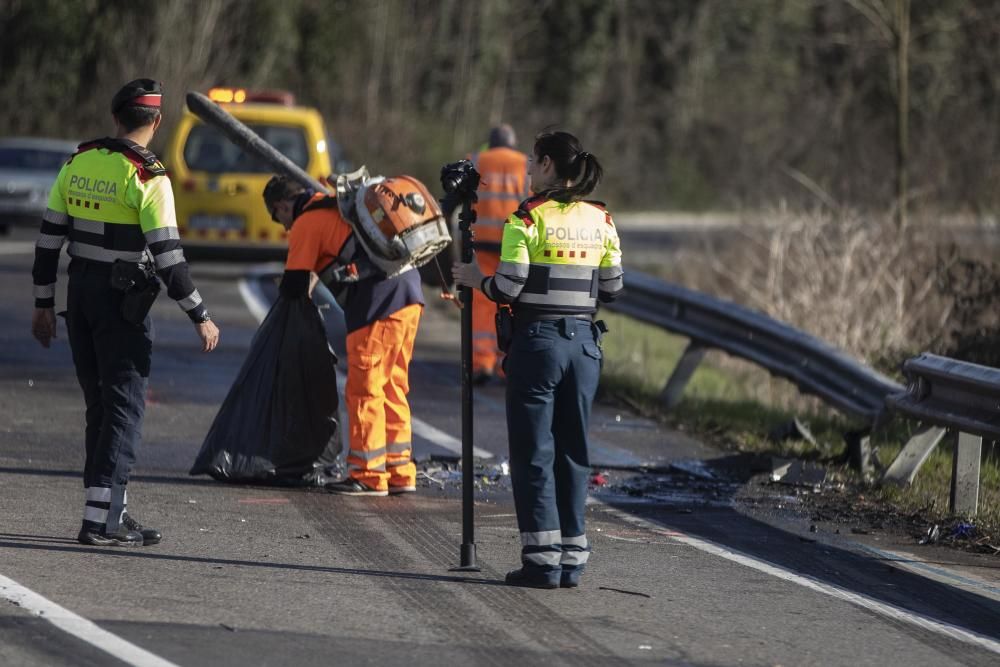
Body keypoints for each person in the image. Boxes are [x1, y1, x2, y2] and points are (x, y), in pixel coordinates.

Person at [30, 79, 220, 547]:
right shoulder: (149, 176)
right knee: (123, 408)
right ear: (155, 122)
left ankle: (110, 509)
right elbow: (170, 260)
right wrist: (201, 315)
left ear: (115, 117)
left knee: (100, 406)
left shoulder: (76, 163)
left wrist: (43, 306)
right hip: (122, 305)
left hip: (82, 297)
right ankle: (100, 523)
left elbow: (47, 243)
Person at [453, 131, 624, 589]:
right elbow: (612, 288)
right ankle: (572, 558)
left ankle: (542, 561)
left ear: (548, 165)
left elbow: (507, 288)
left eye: (533, 162)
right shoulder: (601, 218)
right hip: (585, 345)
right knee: (573, 452)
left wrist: (475, 278)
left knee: (534, 453)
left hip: (539, 344)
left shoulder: (526, 219)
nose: (528, 169)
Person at [263, 175, 423, 496]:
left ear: (282, 205)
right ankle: (399, 470)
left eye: (277, 217)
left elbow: (293, 286)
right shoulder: (335, 208)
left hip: (376, 304)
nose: (283, 226)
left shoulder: (307, 221)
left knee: (364, 390)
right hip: (409, 294)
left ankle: (367, 474)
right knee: (392, 384)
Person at [468, 125, 529, 384]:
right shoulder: (527, 164)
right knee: (511, 299)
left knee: (482, 300)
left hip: (482, 241)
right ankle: (508, 363)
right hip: (513, 244)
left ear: (490, 144)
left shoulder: (475, 161)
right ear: (512, 143)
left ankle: (482, 362)